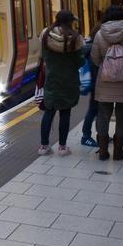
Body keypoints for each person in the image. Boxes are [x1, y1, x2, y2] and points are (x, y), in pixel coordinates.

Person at [91, 5, 123, 160]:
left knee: (103, 115)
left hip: (105, 82)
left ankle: (102, 151)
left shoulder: (100, 34)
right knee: (122, 116)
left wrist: (105, 66)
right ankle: (118, 152)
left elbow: (94, 58)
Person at [38, 10, 86, 156]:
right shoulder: (75, 38)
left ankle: (44, 146)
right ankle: (62, 147)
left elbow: (43, 56)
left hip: (51, 79)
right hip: (69, 81)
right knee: (65, 113)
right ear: (70, 22)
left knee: (48, 112)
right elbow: (81, 61)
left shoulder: (46, 34)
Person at [80, 22, 102, 147]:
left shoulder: (88, 46)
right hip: (96, 83)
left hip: (94, 82)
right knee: (94, 110)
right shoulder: (94, 47)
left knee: (96, 110)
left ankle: (100, 134)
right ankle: (86, 136)